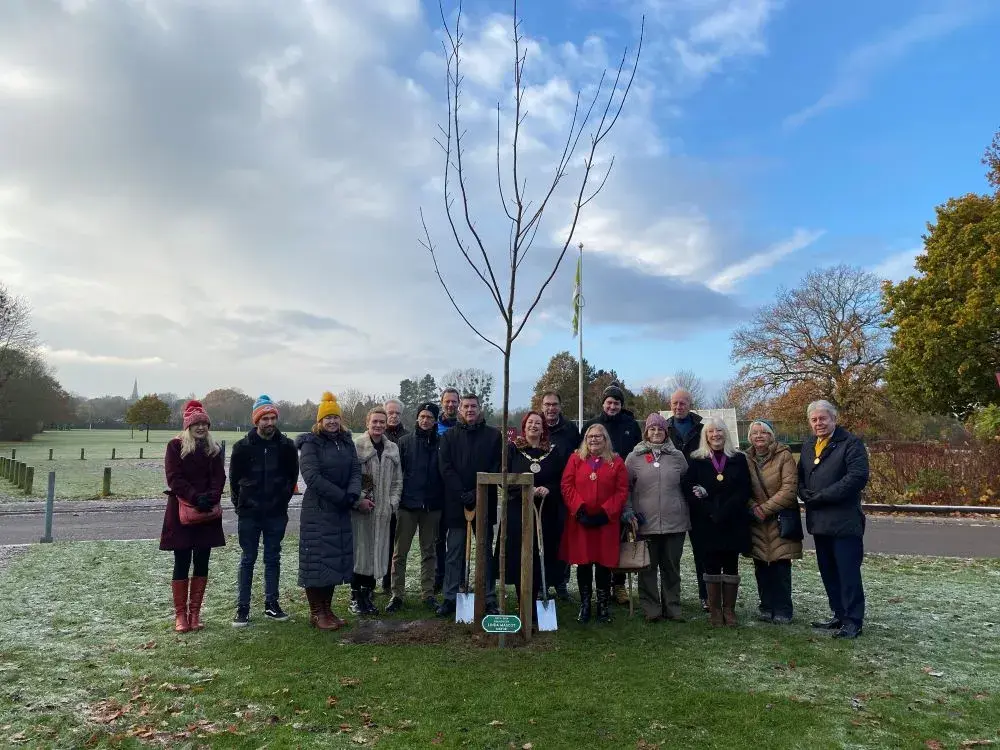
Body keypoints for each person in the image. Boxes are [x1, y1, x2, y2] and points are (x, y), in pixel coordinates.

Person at [799, 400, 870, 640]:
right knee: (828, 571)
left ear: (834, 419)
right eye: (814, 420)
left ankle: (853, 621)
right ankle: (839, 614)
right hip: (819, 523)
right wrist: (804, 493)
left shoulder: (851, 444)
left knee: (847, 573)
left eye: (823, 419)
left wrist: (822, 496)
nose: (819, 423)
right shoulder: (810, 445)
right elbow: (801, 477)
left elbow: (857, 477)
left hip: (844, 522)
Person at [228, 395, 299, 627]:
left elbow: (292, 477)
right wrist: (242, 504)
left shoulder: (286, 446)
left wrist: (281, 499)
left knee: (273, 558)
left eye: (272, 418)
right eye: (265, 418)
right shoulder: (242, 447)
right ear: (256, 420)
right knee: (248, 559)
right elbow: (234, 480)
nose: (269, 422)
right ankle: (243, 607)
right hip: (249, 513)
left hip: (276, 513)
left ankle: (272, 603)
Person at [295, 392, 361, 631]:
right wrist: (341, 497)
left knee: (334, 560)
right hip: (319, 511)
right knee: (317, 562)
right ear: (320, 421)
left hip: (340, 510)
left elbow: (355, 469)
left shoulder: (345, 441)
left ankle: (328, 609)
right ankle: (317, 612)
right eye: (327, 418)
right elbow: (312, 477)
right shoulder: (311, 443)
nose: (332, 421)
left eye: (335, 417)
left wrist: (353, 493)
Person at [159, 400, 226, 633]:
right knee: (182, 560)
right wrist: (195, 497)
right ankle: (180, 615)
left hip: (207, 511)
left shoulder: (214, 449)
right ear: (188, 426)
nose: (201, 428)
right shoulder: (175, 446)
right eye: (196, 424)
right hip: (183, 510)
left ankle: (195, 612)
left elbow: (220, 476)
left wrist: (212, 496)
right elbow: (174, 477)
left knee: (202, 560)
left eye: (204, 424)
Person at [437, 392, 502, 617]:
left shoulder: (494, 436)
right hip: (456, 503)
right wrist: (462, 492)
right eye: (465, 406)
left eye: (473, 406)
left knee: (484, 551)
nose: (469, 410)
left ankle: (489, 597)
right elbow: (445, 467)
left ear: (479, 408)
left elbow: (497, 465)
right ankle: (450, 597)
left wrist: (478, 491)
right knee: (454, 551)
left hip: (484, 500)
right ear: (460, 409)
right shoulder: (449, 437)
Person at [683, 417, 752, 627]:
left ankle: (729, 610)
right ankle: (714, 609)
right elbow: (688, 490)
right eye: (711, 432)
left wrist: (723, 511)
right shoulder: (697, 459)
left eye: (719, 431)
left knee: (731, 564)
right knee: (710, 564)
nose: (716, 435)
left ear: (726, 434)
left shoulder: (738, 459)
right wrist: (710, 510)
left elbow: (743, 490)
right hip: (706, 522)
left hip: (732, 520)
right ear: (706, 436)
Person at [560, 423, 629, 624]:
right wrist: (579, 509)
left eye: (598, 436)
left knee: (602, 565)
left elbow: (622, 490)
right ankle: (585, 605)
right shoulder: (575, 459)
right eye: (590, 436)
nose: (594, 439)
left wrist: (606, 512)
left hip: (605, 523)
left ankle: (602, 606)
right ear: (585, 439)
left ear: (605, 439)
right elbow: (566, 485)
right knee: (583, 563)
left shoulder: (616, 462)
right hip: (581, 522)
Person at [624, 413, 690, 622]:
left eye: (660, 429)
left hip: (674, 522)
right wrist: (628, 512)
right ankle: (651, 609)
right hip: (645, 523)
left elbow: (686, 483)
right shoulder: (634, 457)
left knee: (672, 567)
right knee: (648, 569)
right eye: (652, 429)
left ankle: (672, 606)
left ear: (666, 432)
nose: (656, 433)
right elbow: (625, 488)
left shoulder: (677, 456)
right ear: (646, 432)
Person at [502, 411, 569, 611]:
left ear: (543, 428)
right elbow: (504, 478)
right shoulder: (512, 449)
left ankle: (540, 596)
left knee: (542, 552)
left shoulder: (553, 451)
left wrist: (549, 488)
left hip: (545, 511)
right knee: (519, 554)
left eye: (537, 423)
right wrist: (525, 489)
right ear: (524, 426)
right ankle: (522, 599)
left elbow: (562, 479)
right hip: (518, 511)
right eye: (530, 422)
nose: (534, 426)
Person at [583, 383, 641, 606]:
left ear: (621, 405)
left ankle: (618, 585)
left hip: (621, 491)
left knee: (618, 539)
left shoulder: (631, 425)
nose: (613, 406)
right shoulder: (592, 426)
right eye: (609, 402)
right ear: (603, 404)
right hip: (595, 489)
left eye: (617, 403)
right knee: (594, 541)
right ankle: (597, 587)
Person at [387, 402, 445, 613]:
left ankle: (427, 593)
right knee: (399, 552)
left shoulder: (442, 443)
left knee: (428, 551)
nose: (425, 420)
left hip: (432, 506)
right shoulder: (404, 442)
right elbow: (397, 474)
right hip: (408, 505)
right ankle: (397, 594)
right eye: (422, 416)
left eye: (430, 417)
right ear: (417, 418)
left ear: (435, 420)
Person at [745, 419, 801, 624]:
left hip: (778, 518)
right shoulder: (746, 459)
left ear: (772, 435)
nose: (759, 436)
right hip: (756, 521)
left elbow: (789, 489)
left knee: (780, 567)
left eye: (764, 432)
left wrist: (764, 509)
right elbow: (742, 488)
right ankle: (766, 606)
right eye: (755, 433)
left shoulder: (784, 456)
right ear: (750, 437)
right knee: (761, 566)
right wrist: (753, 507)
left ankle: (783, 609)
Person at [350, 407, 402, 616]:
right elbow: (352, 477)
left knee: (377, 553)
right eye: (375, 422)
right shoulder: (357, 446)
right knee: (361, 552)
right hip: (362, 512)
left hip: (383, 512)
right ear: (367, 423)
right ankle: (355, 596)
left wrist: (392, 503)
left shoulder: (392, 449)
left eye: (382, 422)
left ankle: (367, 593)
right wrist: (360, 499)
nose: (379, 425)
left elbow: (398, 481)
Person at [665, 388, 708, 610]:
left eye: (682, 403)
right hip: (671, 495)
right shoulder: (664, 429)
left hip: (696, 494)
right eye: (675, 403)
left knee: (702, 549)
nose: (678, 407)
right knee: (671, 553)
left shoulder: (702, 430)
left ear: (690, 404)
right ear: (670, 405)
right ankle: (671, 597)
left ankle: (706, 595)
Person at [540, 390, 579, 600]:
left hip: (564, 493)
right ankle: (541, 582)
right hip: (540, 492)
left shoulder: (570, 430)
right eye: (547, 404)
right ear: (541, 406)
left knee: (563, 539)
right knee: (541, 538)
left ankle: (561, 583)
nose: (551, 408)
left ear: (560, 407)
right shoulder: (536, 426)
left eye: (554, 404)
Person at [433, 387, 461, 594]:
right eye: (447, 401)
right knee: (438, 537)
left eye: (454, 401)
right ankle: (439, 576)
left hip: (456, 490)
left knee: (457, 539)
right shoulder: (433, 426)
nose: (450, 404)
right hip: (436, 489)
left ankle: (458, 578)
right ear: (442, 402)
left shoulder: (463, 426)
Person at [380, 398, 407, 594]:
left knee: (394, 542)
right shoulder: (379, 435)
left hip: (399, 497)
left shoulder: (408, 436)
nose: (394, 416)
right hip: (378, 495)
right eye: (391, 413)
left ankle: (390, 583)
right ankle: (370, 581)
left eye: (397, 413)